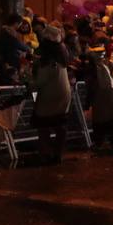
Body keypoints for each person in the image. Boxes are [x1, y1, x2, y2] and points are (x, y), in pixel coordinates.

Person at [78, 22, 113, 154]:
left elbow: (92, 87)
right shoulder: (108, 63)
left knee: (101, 122)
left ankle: (98, 145)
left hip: (102, 98)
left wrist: (87, 105)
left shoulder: (93, 68)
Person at [29, 33, 73, 164]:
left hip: (49, 96)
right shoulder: (62, 57)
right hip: (63, 95)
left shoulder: (48, 61)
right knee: (60, 126)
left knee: (44, 126)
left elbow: (40, 81)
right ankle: (58, 153)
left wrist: (30, 82)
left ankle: (46, 154)